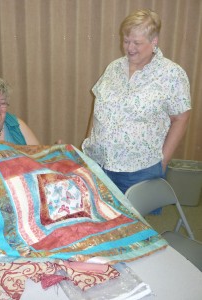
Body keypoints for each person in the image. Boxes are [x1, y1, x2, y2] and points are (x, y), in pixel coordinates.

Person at [82, 9, 191, 194]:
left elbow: (181, 118)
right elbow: (97, 109)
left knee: (132, 222)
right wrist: (88, 144)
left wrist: (162, 161)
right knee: (99, 217)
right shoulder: (114, 68)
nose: (130, 48)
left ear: (154, 41)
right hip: (98, 162)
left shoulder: (172, 74)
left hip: (138, 169)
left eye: (137, 43)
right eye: (126, 41)